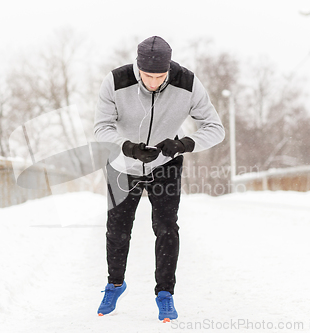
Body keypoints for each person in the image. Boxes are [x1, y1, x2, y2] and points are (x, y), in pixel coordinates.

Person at [93, 36, 225, 322]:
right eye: (147, 76)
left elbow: (215, 128)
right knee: (117, 229)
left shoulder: (187, 83)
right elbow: (101, 128)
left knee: (166, 228)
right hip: (122, 163)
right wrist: (127, 146)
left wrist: (183, 144)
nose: (153, 82)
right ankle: (115, 284)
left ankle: (165, 293)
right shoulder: (115, 81)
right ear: (137, 67)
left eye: (160, 76)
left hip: (165, 164)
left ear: (168, 69)